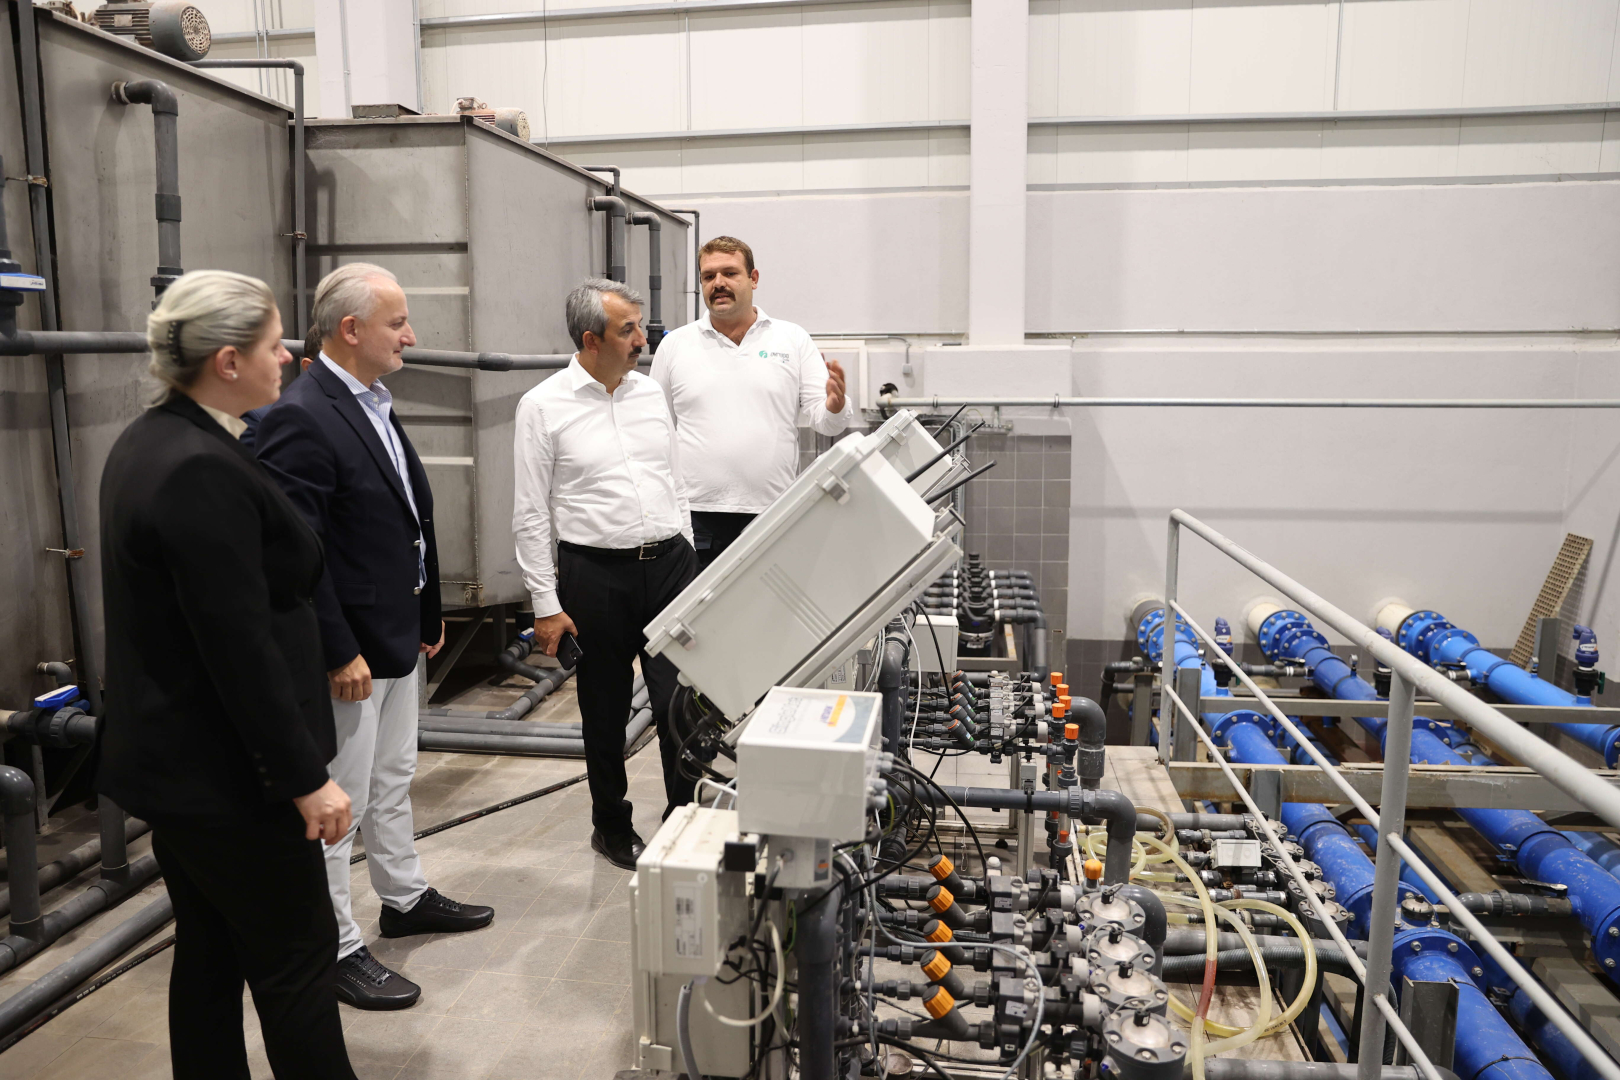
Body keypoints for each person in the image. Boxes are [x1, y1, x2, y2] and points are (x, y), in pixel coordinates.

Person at [96, 269, 358, 1079]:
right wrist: (304, 779)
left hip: (184, 774)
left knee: (210, 955)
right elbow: (237, 645)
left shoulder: (153, 439)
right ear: (228, 361)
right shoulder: (198, 468)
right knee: (298, 961)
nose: (289, 357)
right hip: (233, 781)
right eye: (274, 344)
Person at [256, 263, 493, 1010]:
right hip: (349, 655)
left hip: (393, 636)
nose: (411, 336)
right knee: (342, 801)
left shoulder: (371, 402)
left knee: (393, 777)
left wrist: (426, 612)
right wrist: (337, 649)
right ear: (351, 329)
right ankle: (334, 946)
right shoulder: (303, 414)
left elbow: (404, 516)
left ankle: (403, 895)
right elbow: (297, 554)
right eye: (398, 323)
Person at [513, 278, 697, 869]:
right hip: (596, 576)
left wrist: (687, 552)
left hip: (669, 567)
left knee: (682, 702)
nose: (643, 339)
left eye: (640, 326)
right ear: (591, 340)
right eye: (629, 330)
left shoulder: (650, 394)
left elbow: (675, 481)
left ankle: (686, 817)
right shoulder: (543, 406)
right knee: (605, 710)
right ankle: (611, 826)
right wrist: (545, 603)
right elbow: (530, 513)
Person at [650, 235, 852, 569]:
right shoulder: (676, 346)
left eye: (730, 273)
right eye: (709, 276)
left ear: (753, 278)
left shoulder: (791, 339)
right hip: (695, 515)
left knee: (771, 602)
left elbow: (828, 423)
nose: (718, 283)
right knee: (698, 603)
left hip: (773, 508)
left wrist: (835, 405)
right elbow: (657, 430)